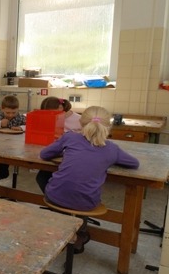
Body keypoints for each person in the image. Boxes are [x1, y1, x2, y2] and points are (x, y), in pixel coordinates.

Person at [38, 106, 139, 253]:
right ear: (108, 126)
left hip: (54, 197)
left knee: (47, 178)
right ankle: (79, 233)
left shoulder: (70, 137)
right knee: (83, 194)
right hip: (86, 204)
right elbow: (134, 163)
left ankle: (64, 225)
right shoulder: (112, 149)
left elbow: (44, 154)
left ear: (81, 124)